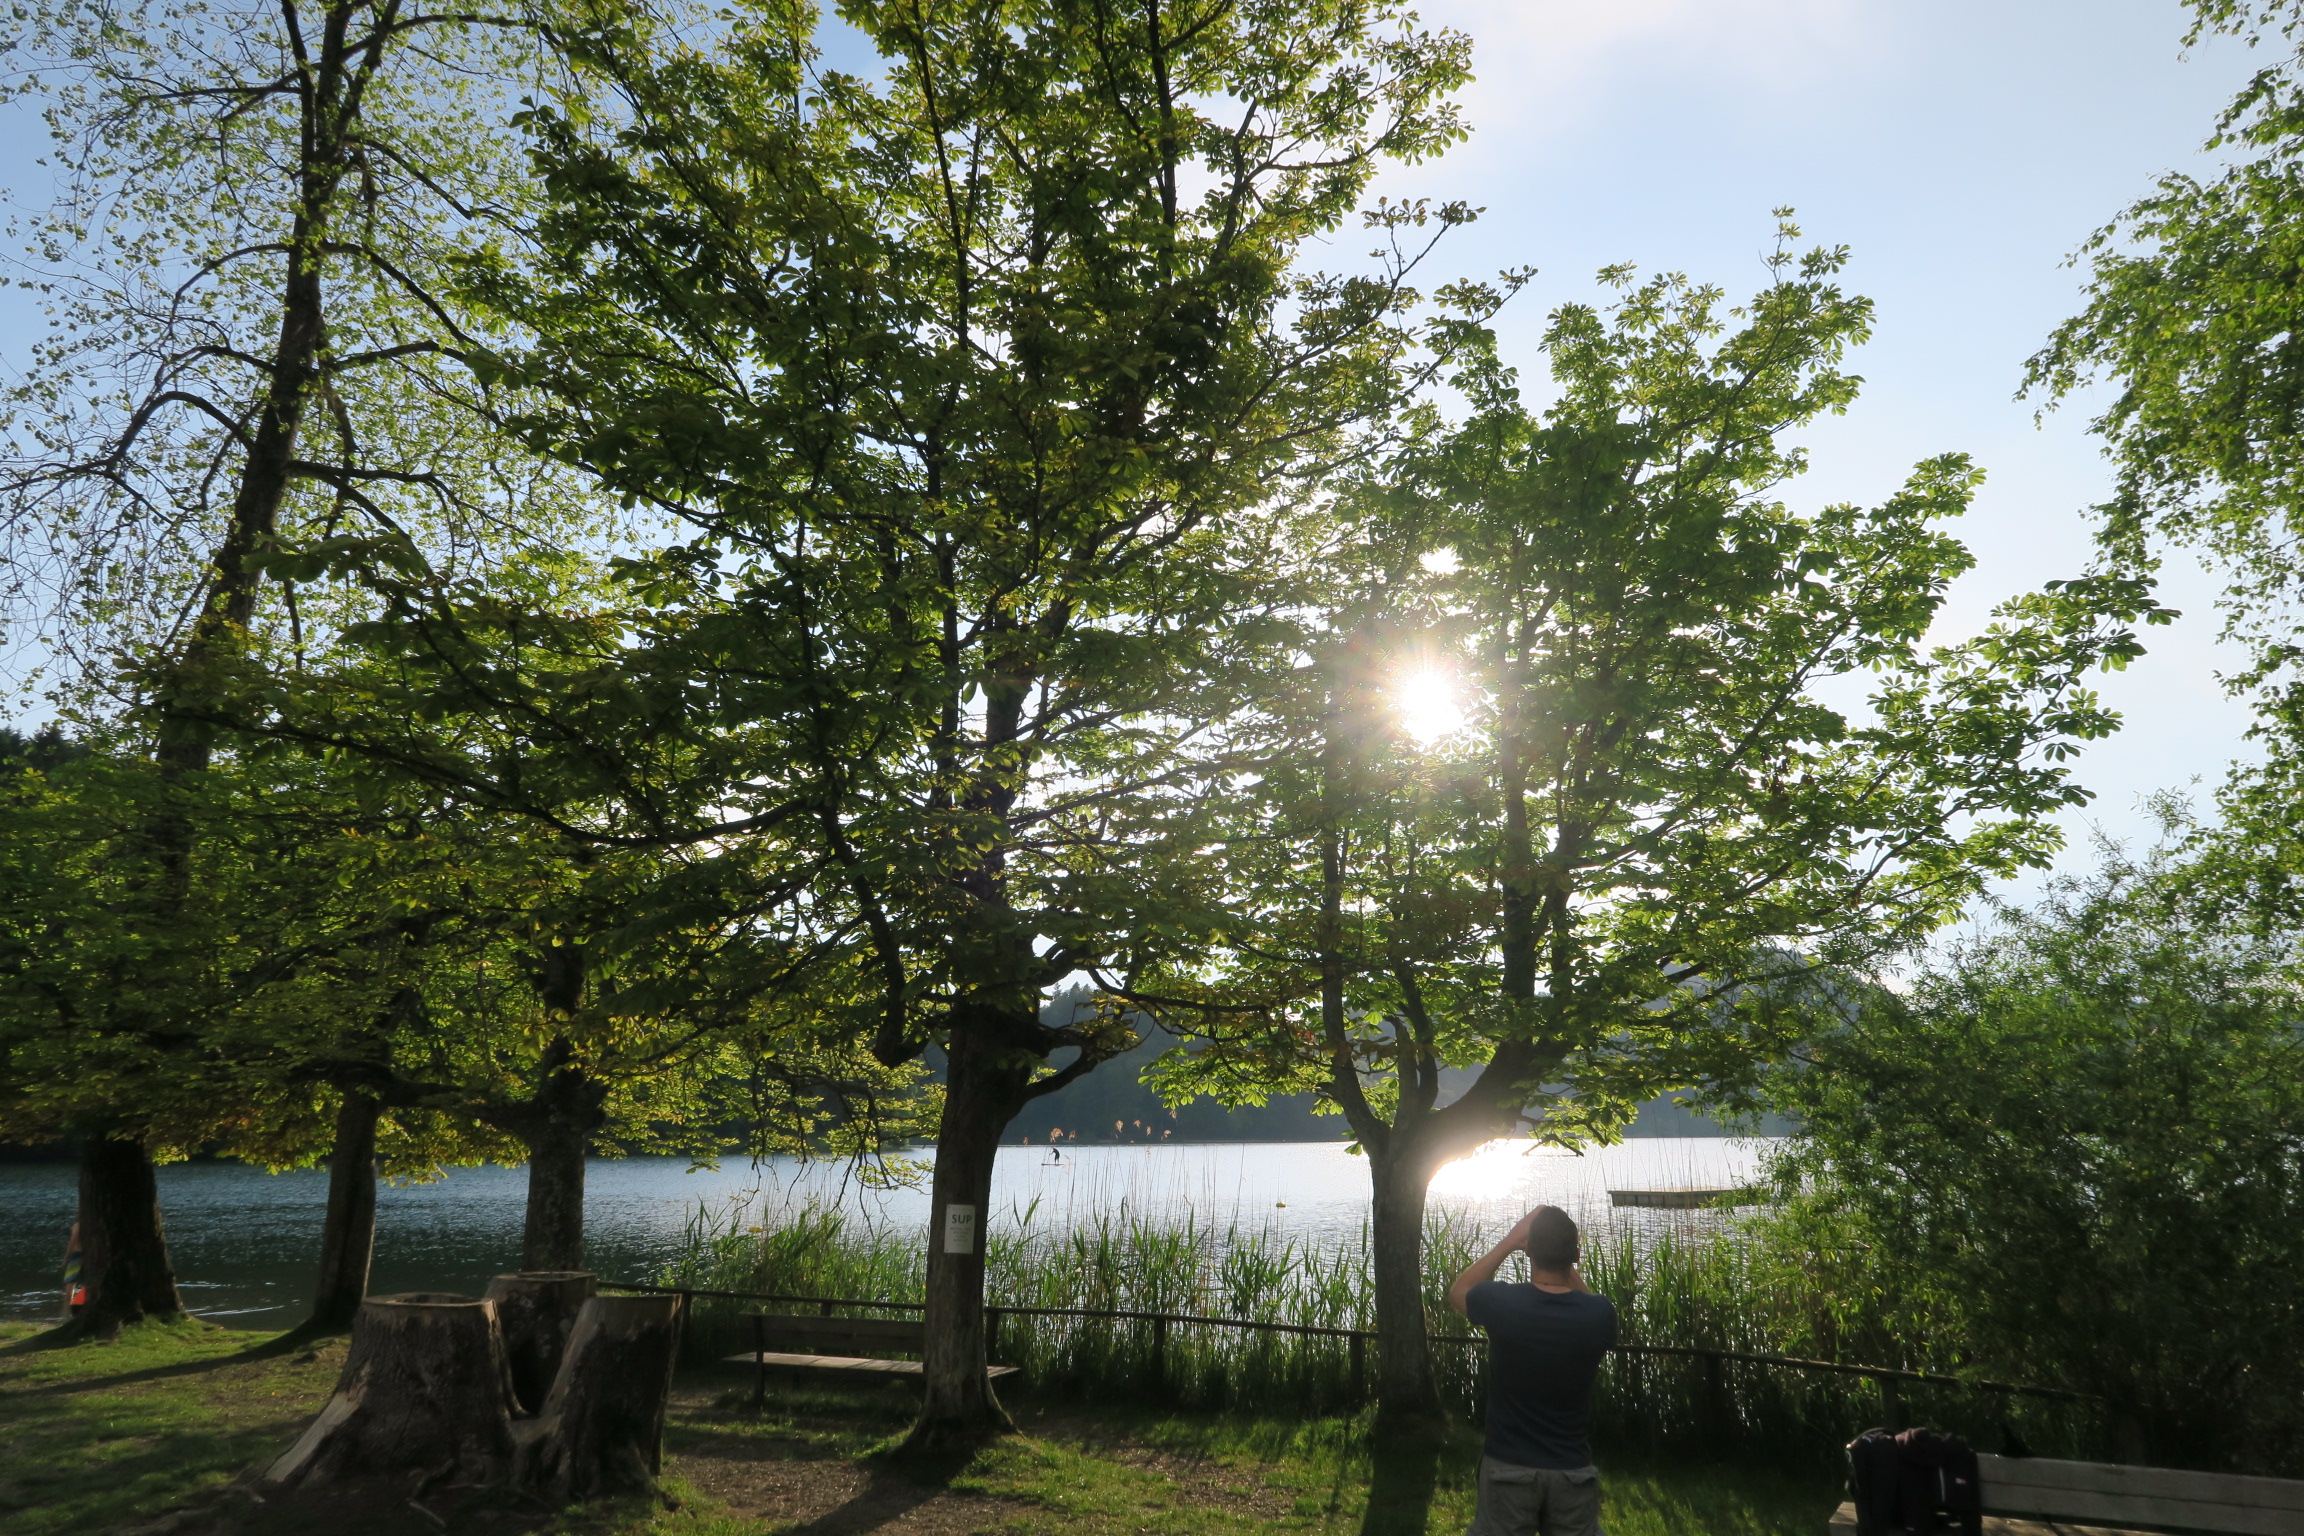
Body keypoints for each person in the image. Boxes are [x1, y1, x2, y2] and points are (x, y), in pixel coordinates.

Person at [1447, 1205, 1619, 1536]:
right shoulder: (1599, 1314)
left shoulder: (1501, 1302)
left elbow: (1458, 1291)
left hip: (1508, 1468)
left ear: (1529, 1252)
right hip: (1572, 1471)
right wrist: (1565, 1258)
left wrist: (1510, 1241)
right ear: (1576, 1255)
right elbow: (1592, 1302)